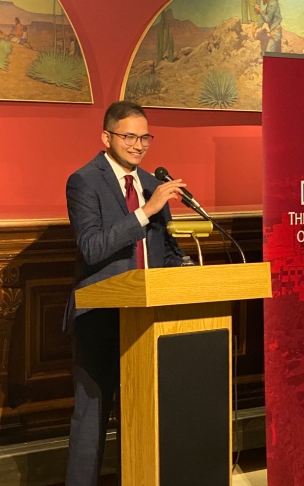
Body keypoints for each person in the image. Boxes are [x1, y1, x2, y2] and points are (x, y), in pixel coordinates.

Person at [64, 101, 192, 486]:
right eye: (130, 136)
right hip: (99, 317)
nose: (138, 145)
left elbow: (164, 252)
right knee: (92, 419)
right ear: (107, 137)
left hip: (147, 319)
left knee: (141, 415)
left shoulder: (153, 183)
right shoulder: (84, 180)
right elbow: (92, 247)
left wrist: (185, 267)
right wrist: (144, 212)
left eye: (145, 137)